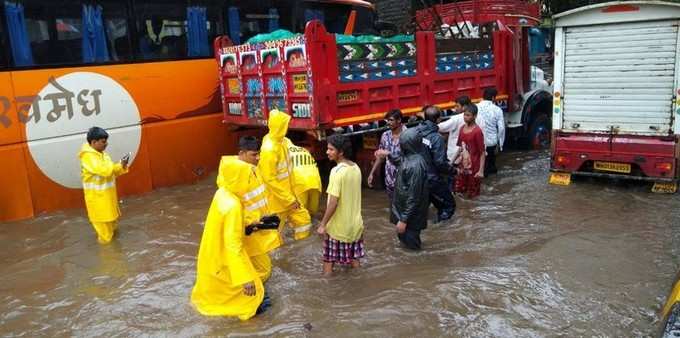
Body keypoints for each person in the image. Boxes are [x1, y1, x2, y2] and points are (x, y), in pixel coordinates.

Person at [191, 154, 271, 320]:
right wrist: (245, 279)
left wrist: (252, 223)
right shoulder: (233, 206)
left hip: (214, 257)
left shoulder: (223, 192)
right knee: (256, 302)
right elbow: (233, 246)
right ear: (238, 179)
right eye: (247, 177)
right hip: (227, 261)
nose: (249, 181)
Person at [217, 136, 281, 282]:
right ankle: (250, 298)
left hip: (256, 228)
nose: (258, 158)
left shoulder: (249, 169)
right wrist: (251, 224)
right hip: (249, 231)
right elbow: (235, 206)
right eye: (254, 154)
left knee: (258, 267)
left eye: (259, 154)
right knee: (264, 269)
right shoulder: (235, 176)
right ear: (241, 153)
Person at [258, 109, 312, 241]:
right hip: (277, 200)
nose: (288, 127)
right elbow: (269, 179)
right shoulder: (270, 150)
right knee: (273, 236)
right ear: (279, 126)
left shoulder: (280, 141)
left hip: (289, 196)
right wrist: (288, 199)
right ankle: (274, 257)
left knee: (303, 219)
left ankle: (300, 247)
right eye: (285, 125)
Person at [316, 134, 364, 275]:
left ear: (341, 152)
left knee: (328, 263)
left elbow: (333, 202)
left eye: (331, 149)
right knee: (355, 261)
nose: (327, 152)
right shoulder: (356, 168)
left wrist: (323, 224)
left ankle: (327, 293)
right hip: (356, 225)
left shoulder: (336, 172)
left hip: (338, 228)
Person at [78, 127, 129, 244]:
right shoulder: (88, 157)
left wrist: (122, 165)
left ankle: (114, 258)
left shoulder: (102, 154)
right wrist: (117, 165)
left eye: (106, 141)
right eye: (103, 141)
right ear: (93, 142)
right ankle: (109, 260)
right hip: (98, 203)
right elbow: (104, 171)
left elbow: (111, 172)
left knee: (112, 234)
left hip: (108, 201)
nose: (106, 144)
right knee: (106, 239)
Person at [391, 128, 429, 250]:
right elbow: (399, 161)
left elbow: (414, 196)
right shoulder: (409, 157)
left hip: (411, 217)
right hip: (405, 214)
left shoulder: (416, 165)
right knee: (405, 243)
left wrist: (403, 219)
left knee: (412, 247)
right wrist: (388, 155)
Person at [415, 105, 455, 222]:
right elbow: (440, 163)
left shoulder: (415, 132)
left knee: (421, 207)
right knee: (448, 206)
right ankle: (443, 233)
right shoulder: (436, 138)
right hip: (432, 179)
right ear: (438, 119)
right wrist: (454, 171)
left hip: (417, 177)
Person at [368, 109, 405, 201]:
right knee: (393, 208)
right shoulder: (385, 135)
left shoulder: (407, 135)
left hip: (404, 179)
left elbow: (411, 157)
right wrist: (372, 173)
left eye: (391, 120)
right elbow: (380, 157)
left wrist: (389, 153)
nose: (388, 123)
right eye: (387, 120)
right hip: (389, 180)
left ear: (399, 120)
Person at [453, 104, 486, 199]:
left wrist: (481, 171)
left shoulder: (477, 131)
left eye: (468, 115)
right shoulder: (462, 128)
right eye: (464, 115)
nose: (465, 117)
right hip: (463, 166)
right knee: (459, 190)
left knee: (473, 193)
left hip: (474, 167)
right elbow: (460, 148)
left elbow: (482, 152)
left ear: (475, 116)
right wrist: (452, 162)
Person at [287, 141, 322, 215]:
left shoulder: (283, 151)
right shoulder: (303, 149)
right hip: (315, 180)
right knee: (313, 209)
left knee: (301, 211)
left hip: (299, 181)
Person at [476, 87, 505, 176]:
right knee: (491, 166)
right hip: (491, 142)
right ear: (493, 98)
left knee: (479, 166)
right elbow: (501, 128)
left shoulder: (475, 107)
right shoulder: (497, 109)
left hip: (478, 140)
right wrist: (500, 144)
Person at [439, 96, 471, 164]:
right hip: (469, 153)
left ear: (464, 106)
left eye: (457, 106)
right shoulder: (476, 116)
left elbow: (441, 127)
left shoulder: (456, 118)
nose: (455, 108)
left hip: (455, 154)